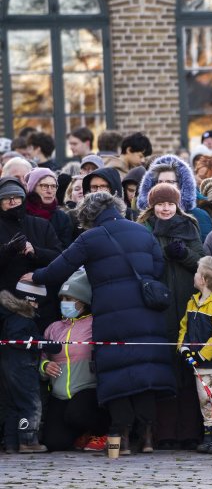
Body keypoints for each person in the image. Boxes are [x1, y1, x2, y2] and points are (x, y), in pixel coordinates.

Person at [29, 191, 175, 457]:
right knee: (145, 372)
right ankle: (148, 436)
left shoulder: (90, 238)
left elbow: (58, 270)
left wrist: (34, 275)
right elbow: (157, 266)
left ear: (88, 215)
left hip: (112, 317)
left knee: (118, 373)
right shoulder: (142, 232)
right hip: (146, 313)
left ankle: (124, 436)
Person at [137, 183, 206, 449]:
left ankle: (189, 431)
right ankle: (163, 432)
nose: (165, 208)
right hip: (159, 306)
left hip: (188, 305)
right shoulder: (144, 230)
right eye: (160, 204)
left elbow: (203, 262)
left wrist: (184, 254)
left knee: (188, 367)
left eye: (170, 204)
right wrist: (163, 259)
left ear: (178, 205)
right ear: (152, 206)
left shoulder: (190, 227)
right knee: (164, 369)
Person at [40, 270, 109, 452]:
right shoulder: (53, 328)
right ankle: (82, 434)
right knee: (55, 443)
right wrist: (45, 366)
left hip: (88, 388)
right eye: (62, 299)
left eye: (70, 299)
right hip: (59, 392)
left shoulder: (95, 324)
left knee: (77, 414)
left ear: (84, 302)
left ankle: (103, 431)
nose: (65, 303)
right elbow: (42, 358)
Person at [178, 256, 212, 455]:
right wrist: (183, 348)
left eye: (196, 272)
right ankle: (209, 434)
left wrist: (202, 355)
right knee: (205, 401)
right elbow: (184, 327)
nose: (193, 275)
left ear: (203, 279)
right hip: (198, 365)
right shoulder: (192, 303)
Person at [0, 177, 63, 327]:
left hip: (43, 305)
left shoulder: (41, 225)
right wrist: (8, 250)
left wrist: (36, 251)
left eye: (16, 197)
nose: (12, 201)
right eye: (6, 198)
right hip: (6, 306)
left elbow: (60, 257)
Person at [0, 279, 49, 452]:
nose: (37, 306)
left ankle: (12, 443)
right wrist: (42, 343)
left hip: (8, 366)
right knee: (31, 404)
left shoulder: (10, 316)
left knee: (14, 405)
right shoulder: (22, 319)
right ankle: (28, 441)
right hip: (22, 366)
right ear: (28, 300)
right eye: (35, 301)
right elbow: (18, 339)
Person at [25, 168, 74, 247]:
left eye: (53, 186)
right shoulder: (21, 213)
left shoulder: (62, 218)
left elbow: (64, 250)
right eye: (44, 186)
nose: (50, 191)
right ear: (32, 188)